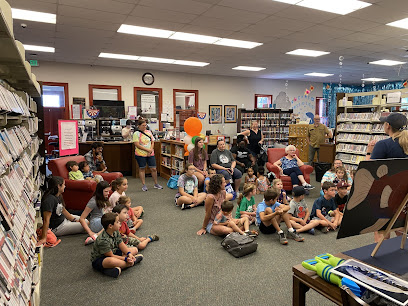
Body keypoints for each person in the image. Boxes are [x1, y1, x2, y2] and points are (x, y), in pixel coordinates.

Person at [365, 112, 408, 242]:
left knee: (382, 229)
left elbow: (369, 170)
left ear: (388, 125)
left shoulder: (383, 145)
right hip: (405, 194)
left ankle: (380, 257)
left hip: (386, 195)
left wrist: (369, 151)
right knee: (401, 226)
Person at [90, 213, 143, 278]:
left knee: (134, 249)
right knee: (111, 261)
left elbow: (121, 244)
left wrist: (129, 254)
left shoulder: (115, 231)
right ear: (110, 226)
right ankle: (131, 263)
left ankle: (115, 268)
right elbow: (111, 256)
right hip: (101, 259)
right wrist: (125, 259)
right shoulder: (103, 240)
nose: (120, 223)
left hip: (114, 251)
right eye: (117, 222)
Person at [37, 176, 85, 246]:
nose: (65, 186)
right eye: (63, 184)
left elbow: (63, 210)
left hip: (63, 220)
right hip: (58, 227)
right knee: (85, 225)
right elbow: (46, 220)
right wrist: (44, 238)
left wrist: (73, 219)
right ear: (58, 186)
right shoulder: (49, 200)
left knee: (85, 221)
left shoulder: (57, 195)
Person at [133, 118, 163, 191]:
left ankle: (156, 183)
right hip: (140, 154)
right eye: (143, 125)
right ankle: (144, 185)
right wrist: (147, 150)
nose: (144, 127)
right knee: (142, 168)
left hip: (150, 153)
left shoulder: (149, 132)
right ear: (139, 126)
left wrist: (150, 150)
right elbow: (137, 144)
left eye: (145, 125)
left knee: (153, 168)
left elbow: (152, 141)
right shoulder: (136, 134)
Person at [80, 181, 111, 246]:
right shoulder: (93, 201)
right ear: (100, 191)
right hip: (96, 222)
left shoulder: (104, 198)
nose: (108, 193)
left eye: (108, 191)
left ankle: (95, 237)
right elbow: (82, 218)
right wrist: (90, 232)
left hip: (102, 220)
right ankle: (97, 235)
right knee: (112, 222)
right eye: (106, 191)